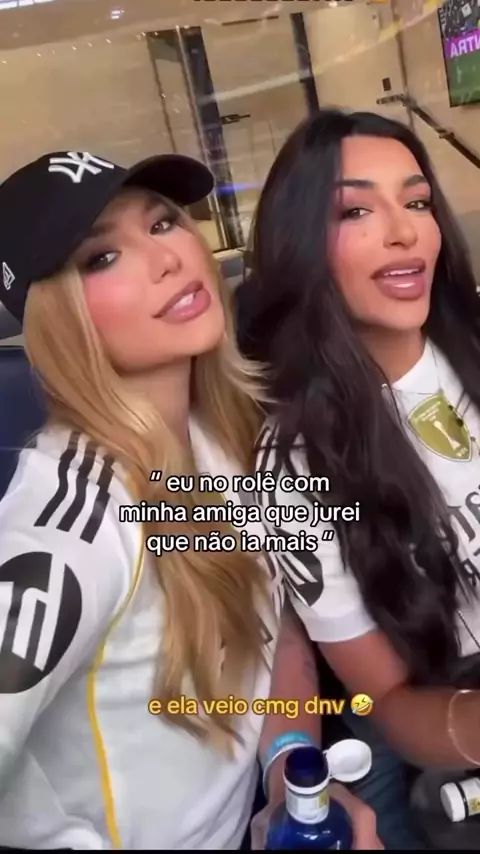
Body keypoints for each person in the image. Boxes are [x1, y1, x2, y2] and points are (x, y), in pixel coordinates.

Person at [0, 150, 379, 850]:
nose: (168, 258)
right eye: (102, 258)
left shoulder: (227, 438)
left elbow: (275, 628)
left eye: (164, 223)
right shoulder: (71, 530)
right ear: (58, 320)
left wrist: (288, 777)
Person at [240, 108, 480, 849]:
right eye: (355, 211)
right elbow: (391, 702)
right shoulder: (290, 468)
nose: (405, 231)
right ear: (301, 246)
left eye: (417, 202)